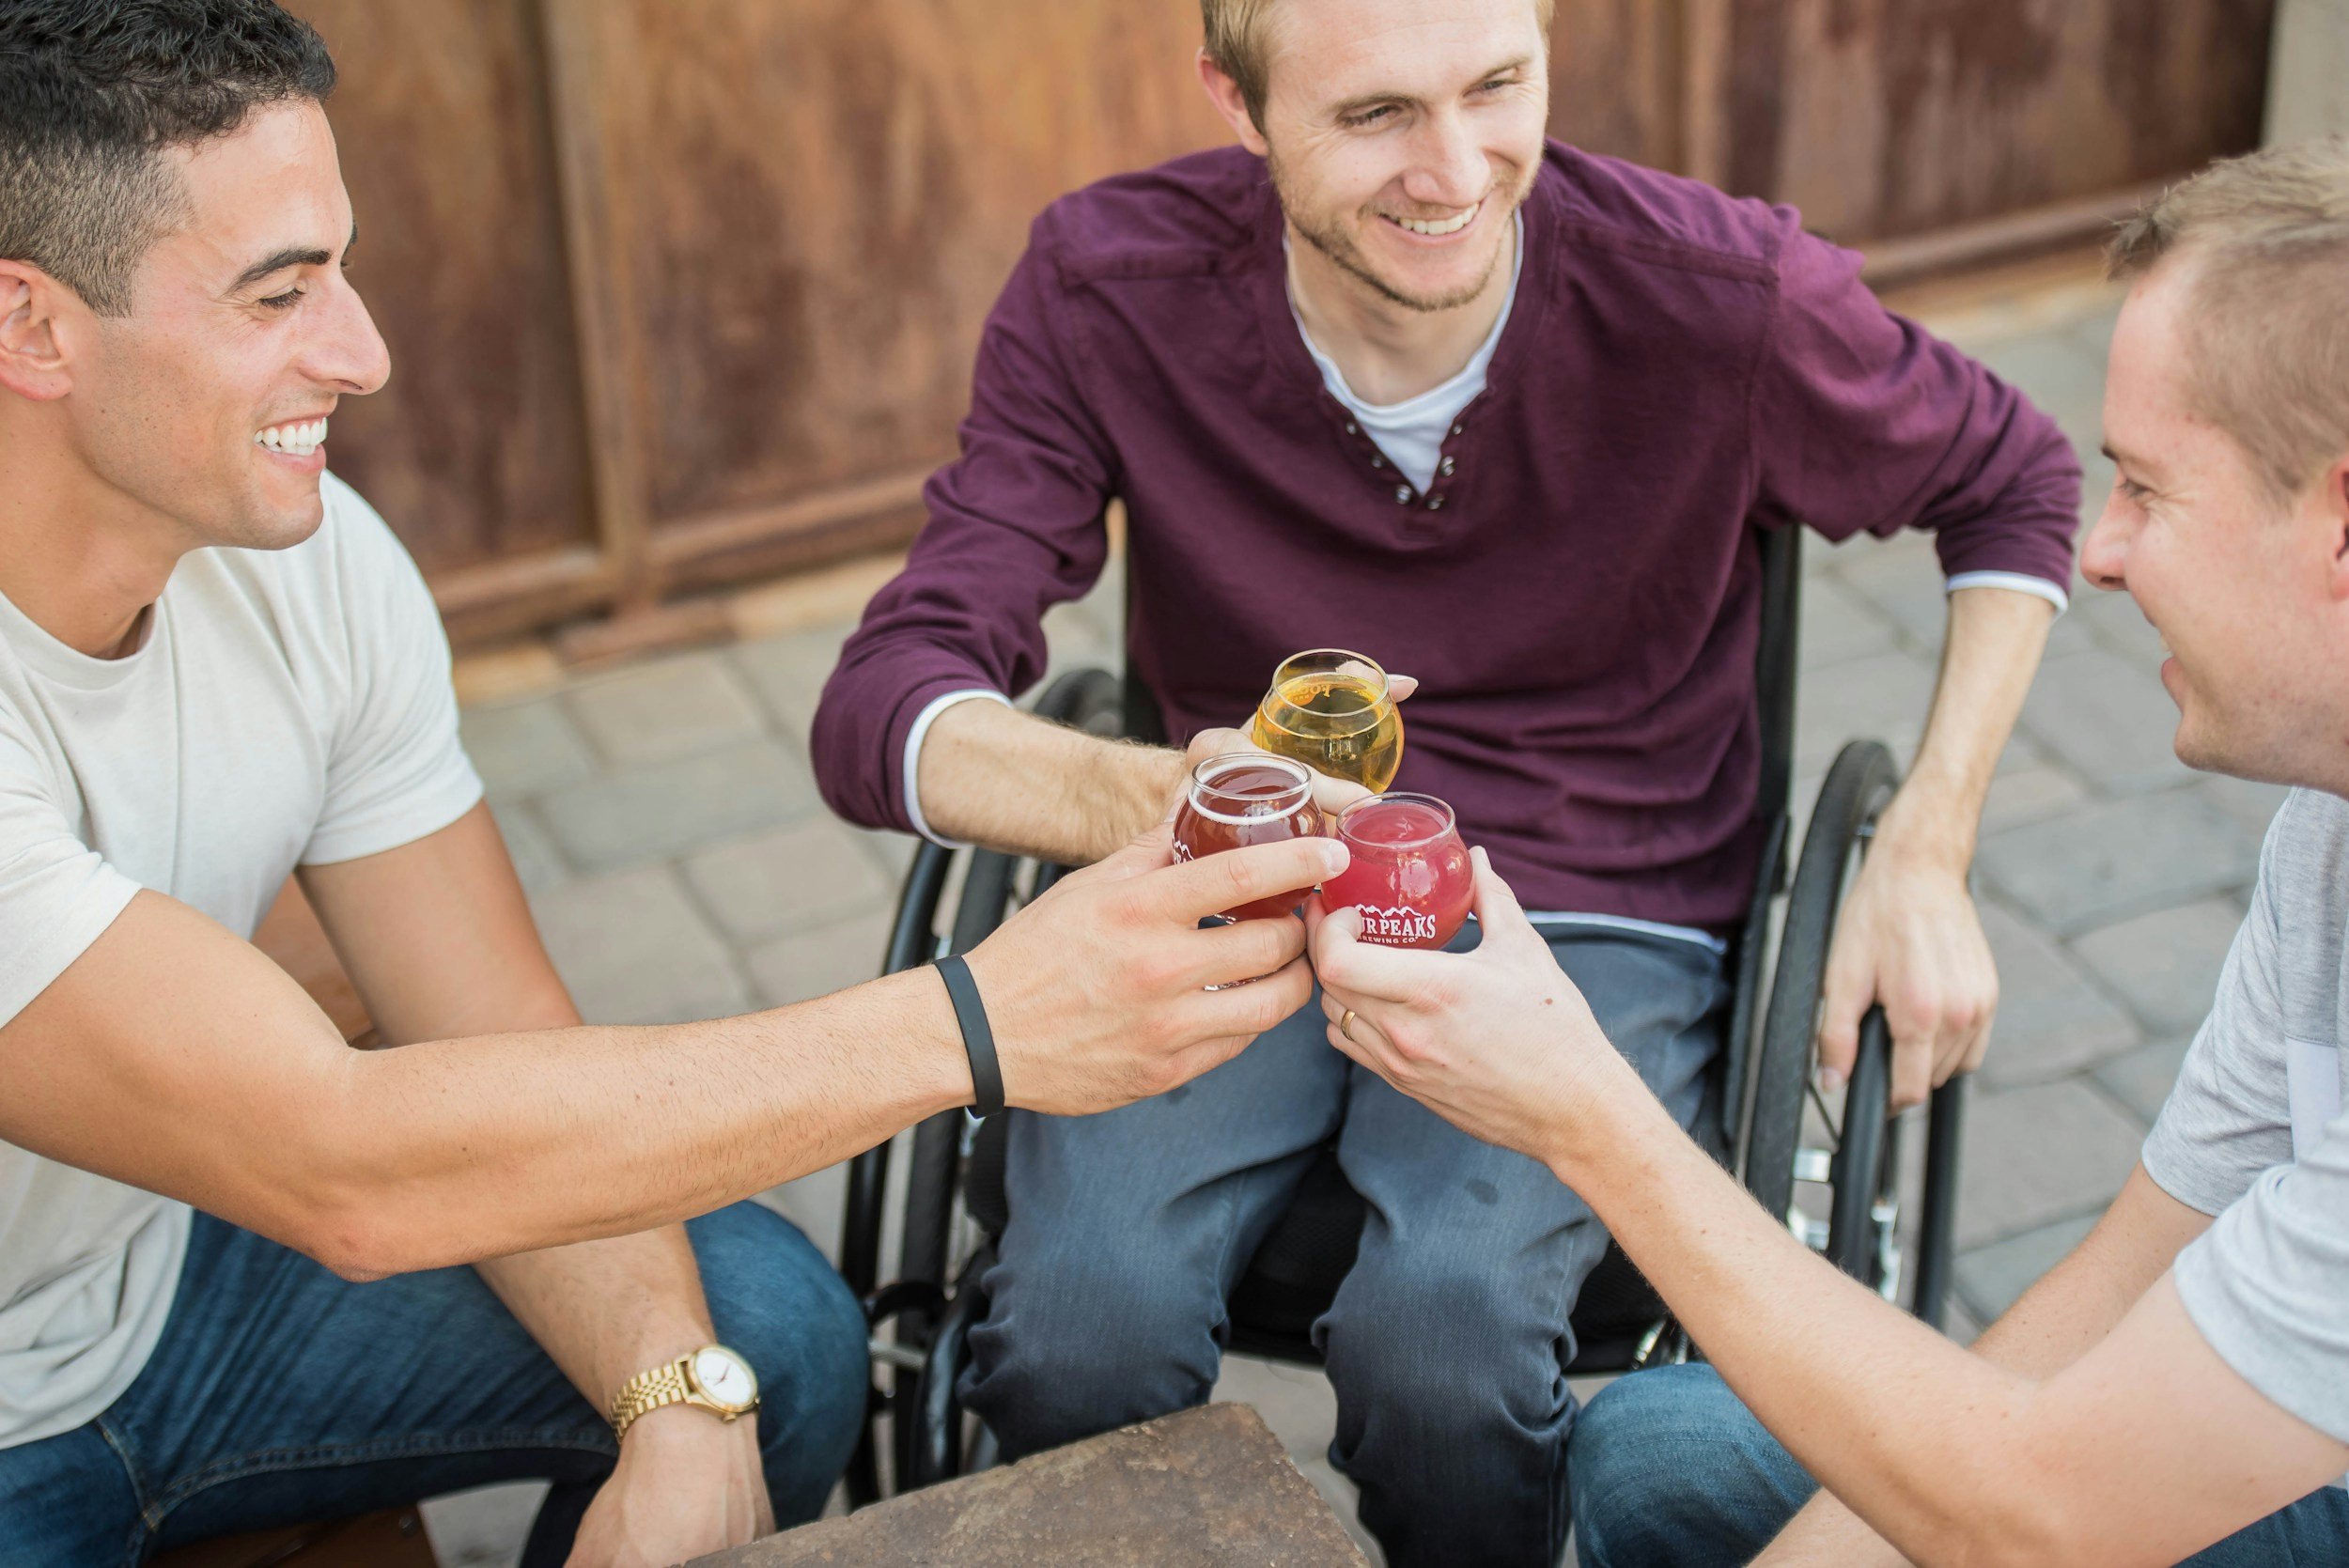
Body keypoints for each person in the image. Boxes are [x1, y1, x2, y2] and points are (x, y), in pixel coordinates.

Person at [0, 5, 1338, 1563]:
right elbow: (342, 1161)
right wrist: (984, 1021)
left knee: (767, 1333)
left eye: (341, 269)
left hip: (162, 1298)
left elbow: (490, 1027)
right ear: (31, 326)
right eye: (277, 295)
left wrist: (677, 1394)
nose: (361, 353)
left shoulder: (308, 563)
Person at [809, 0, 2082, 1560]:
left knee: (1447, 1345)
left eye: (1497, 86)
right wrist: (1160, 798)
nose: (1457, 168)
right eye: (1374, 117)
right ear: (1238, 99)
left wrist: (1930, 846)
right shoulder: (1108, 285)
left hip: (1599, 900)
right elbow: (882, 703)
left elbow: (2014, 479)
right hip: (1244, 882)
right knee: (1072, 1323)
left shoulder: (1715, 294)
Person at [1310, 137, 2349, 1568]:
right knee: (1662, 1450)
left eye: (2151, 491)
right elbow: (2106, 1305)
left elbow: (2043, 1515)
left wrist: (1578, 1105)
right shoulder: (2327, 829)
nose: (2103, 554)